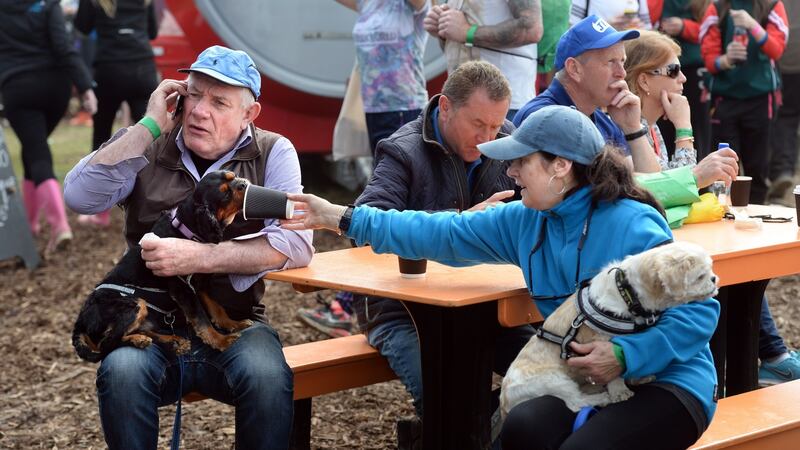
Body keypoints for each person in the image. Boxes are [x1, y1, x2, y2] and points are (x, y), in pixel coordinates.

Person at [282, 105, 720, 449]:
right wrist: (341, 217)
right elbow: (438, 232)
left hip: (668, 381)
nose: (509, 172)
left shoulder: (632, 224)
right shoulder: (525, 219)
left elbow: (700, 316)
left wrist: (625, 355)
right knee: (523, 428)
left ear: (559, 166)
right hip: (589, 381)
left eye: (520, 162)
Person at [63, 45, 313, 449]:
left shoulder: (271, 152)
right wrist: (147, 125)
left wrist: (202, 257)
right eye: (193, 94)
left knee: (268, 376)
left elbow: (297, 242)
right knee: (122, 373)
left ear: (249, 115)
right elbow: (78, 197)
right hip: (148, 323)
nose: (199, 111)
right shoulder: (149, 144)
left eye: (219, 102)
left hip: (234, 320)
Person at [349, 61, 529, 436]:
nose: (488, 138)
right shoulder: (403, 150)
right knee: (448, 397)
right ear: (445, 107)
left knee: (544, 377)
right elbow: (363, 228)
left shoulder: (505, 139)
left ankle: (455, 432)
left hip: (483, 301)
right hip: (401, 310)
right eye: (478, 124)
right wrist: (463, 221)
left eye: (496, 125)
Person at [625, 29, 800, 385]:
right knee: (721, 274)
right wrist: (686, 128)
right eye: (673, 70)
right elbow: (664, 192)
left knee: (739, 277)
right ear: (644, 80)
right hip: (643, 262)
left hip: (665, 246)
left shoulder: (651, 129)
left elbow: (672, 185)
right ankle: (762, 362)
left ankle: (769, 358)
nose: (685, 77)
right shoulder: (630, 129)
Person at [297, 0, 431, 339]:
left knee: (378, 207)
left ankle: (348, 304)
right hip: (375, 112)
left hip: (405, 111)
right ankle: (366, 302)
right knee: (384, 205)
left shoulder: (413, 6)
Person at [514, 14, 739, 188]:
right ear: (574, 69)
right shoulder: (544, 115)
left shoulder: (604, 120)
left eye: (622, 61)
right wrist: (695, 176)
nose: (622, 72)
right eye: (611, 62)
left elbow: (650, 193)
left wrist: (633, 130)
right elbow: (608, 192)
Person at [0, 0, 97, 253]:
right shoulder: (48, 4)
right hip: (56, 88)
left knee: (37, 151)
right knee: (32, 148)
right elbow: (64, 47)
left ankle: (60, 225)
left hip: (18, 88)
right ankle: (31, 225)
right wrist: (85, 86)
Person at [72, 0, 160, 227]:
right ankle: (160, 200)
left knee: (102, 138)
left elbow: (82, 27)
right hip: (142, 67)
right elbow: (152, 31)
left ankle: (99, 210)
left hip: (109, 68)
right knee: (154, 138)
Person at [699, 0, 789, 204]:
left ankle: (756, 215)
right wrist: (727, 59)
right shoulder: (718, 8)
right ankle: (723, 213)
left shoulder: (771, 5)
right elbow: (709, 60)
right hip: (725, 99)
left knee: (757, 167)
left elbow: (777, 50)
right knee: (724, 166)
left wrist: (753, 26)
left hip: (760, 98)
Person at [423, 0, 543, 119]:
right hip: (460, 102)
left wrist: (468, 32)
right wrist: (443, 30)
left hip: (505, 106)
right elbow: (460, 37)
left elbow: (532, 29)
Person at [650, 0, 713, 155]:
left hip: (696, 69)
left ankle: (698, 169)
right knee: (662, 124)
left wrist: (684, 27)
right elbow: (646, 22)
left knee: (696, 127)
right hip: (661, 69)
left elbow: (715, 32)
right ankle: (665, 165)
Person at [766, 0, 799, 202]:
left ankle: (781, 170)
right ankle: (781, 171)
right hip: (787, 60)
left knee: (784, 118)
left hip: (783, 61)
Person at [570, 0, 653, 30]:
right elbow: (573, 30)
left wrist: (639, 27)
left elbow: (647, 28)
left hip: (631, 54)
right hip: (598, 53)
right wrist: (607, 26)